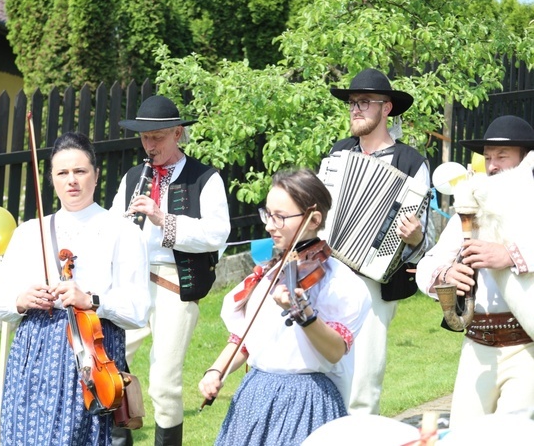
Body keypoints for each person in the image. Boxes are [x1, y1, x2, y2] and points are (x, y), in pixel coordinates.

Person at [0, 132, 151, 445]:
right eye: (62, 173)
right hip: (33, 353)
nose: (71, 181)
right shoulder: (28, 232)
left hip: (91, 355)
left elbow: (138, 310)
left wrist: (91, 300)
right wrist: (21, 300)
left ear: (96, 174)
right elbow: (0, 303)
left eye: (80, 171)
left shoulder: (122, 232)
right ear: (51, 178)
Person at [198, 168, 370, 445]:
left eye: (280, 217)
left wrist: (306, 316)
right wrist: (216, 371)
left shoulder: (340, 283)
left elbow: (336, 350)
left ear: (313, 219)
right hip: (255, 392)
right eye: (268, 214)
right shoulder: (272, 271)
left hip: (306, 398)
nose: (269, 225)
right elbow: (247, 337)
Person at [109, 95, 231, 445]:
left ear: (178, 133)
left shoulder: (205, 178)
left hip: (176, 283)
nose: (150, 145)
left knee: (164, 382)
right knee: (113, 367)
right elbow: (115, 227)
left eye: (158, 137)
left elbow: (216, 234)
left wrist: (163, 219)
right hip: (132, 282)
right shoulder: (134, 176)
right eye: (145, 138)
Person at [415, 115, 534, 426]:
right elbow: (427, 263)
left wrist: (510, 255)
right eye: (488, 157)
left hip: (527, 347)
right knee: (464, 435)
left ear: (525, 160)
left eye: (502, 156)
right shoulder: (471, 208)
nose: (492, 166)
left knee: (512, 436)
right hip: (476, 345)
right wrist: (445, 275)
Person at [327, 68, 432, 415]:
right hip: (329, 276)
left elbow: (423, 238)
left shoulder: (411, 162)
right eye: (352, 103)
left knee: (363, 383)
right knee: (326, 373)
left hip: (375, 281)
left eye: (364, 103)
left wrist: (414, 235)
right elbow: (319, 209)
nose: (355, 109)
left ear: (386, 108)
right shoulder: (337, 153)